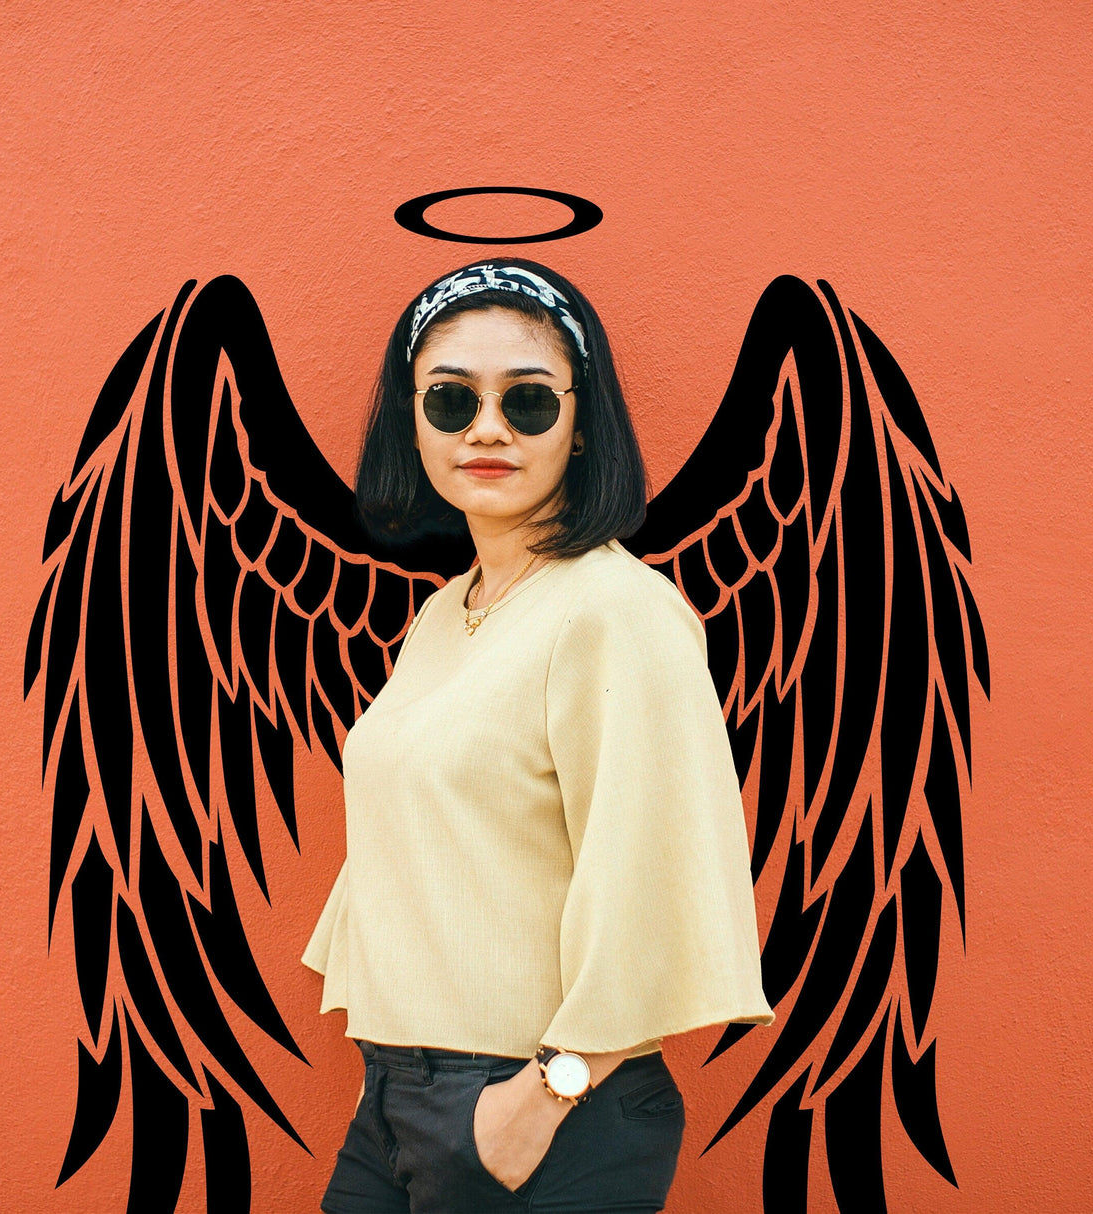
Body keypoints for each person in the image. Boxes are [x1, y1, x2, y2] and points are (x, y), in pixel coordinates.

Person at [301, 259, 774, 1213]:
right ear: (409, 418)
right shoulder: (442, 617)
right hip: (399, 1100)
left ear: (582, 420)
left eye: (527, 400)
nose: (486, 428)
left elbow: (658, 867)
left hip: (547, 1114)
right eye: (449, 399)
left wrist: (544, 1096)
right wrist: (385, 1076)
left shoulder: (615, 611)